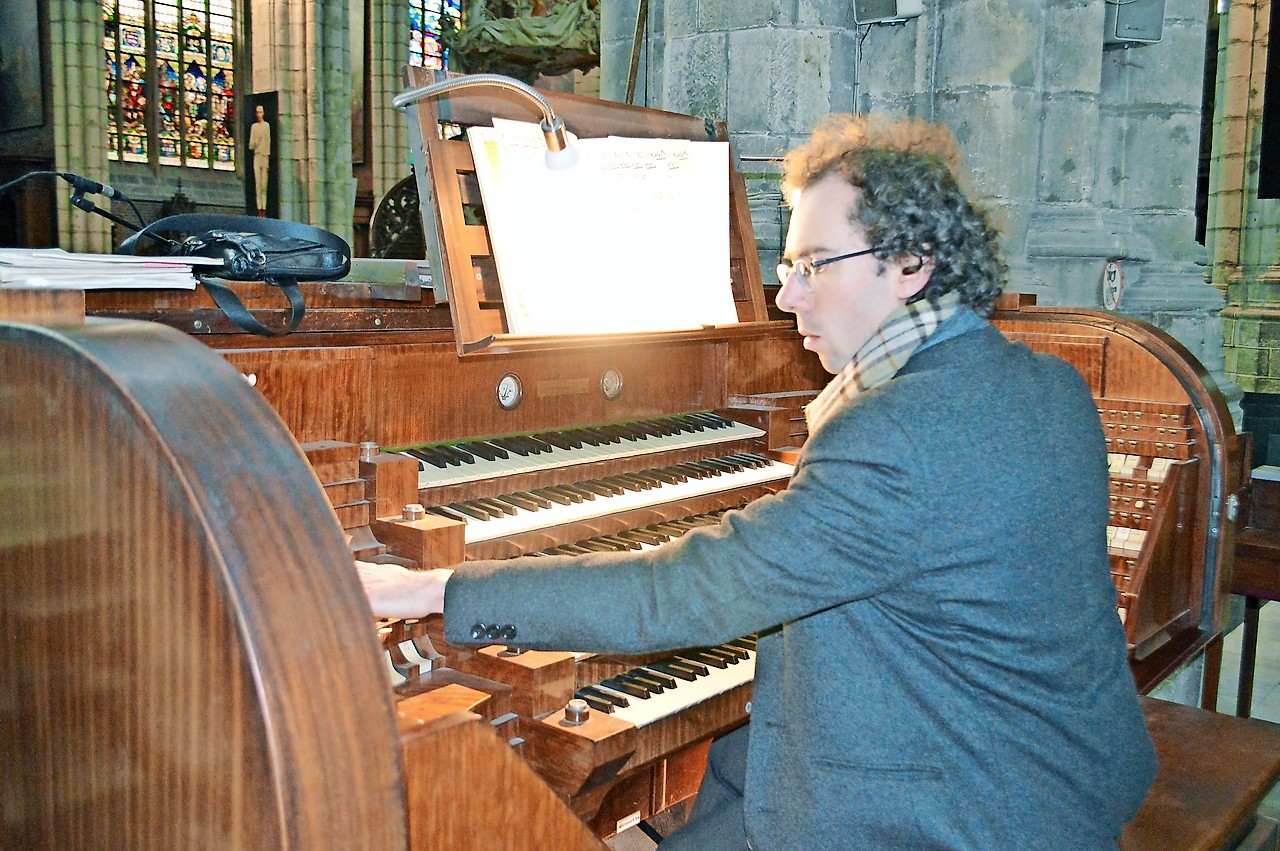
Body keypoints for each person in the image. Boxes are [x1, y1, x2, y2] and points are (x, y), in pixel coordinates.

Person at [358, 114, 1157, 849]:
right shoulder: (1049, 386)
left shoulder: (897, 432)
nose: (785, 296)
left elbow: (679, 592)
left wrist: (429, 590)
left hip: (959, 811)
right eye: (785, 264)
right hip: (1047, 771)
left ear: (911, 262)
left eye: (813, 265)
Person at [248, 103, 271, 216]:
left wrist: (267, 157)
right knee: (258, 185)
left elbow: (268, 142)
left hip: (264, 156)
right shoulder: (254, 127)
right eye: (257, 112)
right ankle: (259, 210)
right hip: (257, 156)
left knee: (264, 186)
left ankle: (264, 209)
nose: (259, 114)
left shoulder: (266, 126)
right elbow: (251, 145)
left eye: (261, 112)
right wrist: (256, 142)